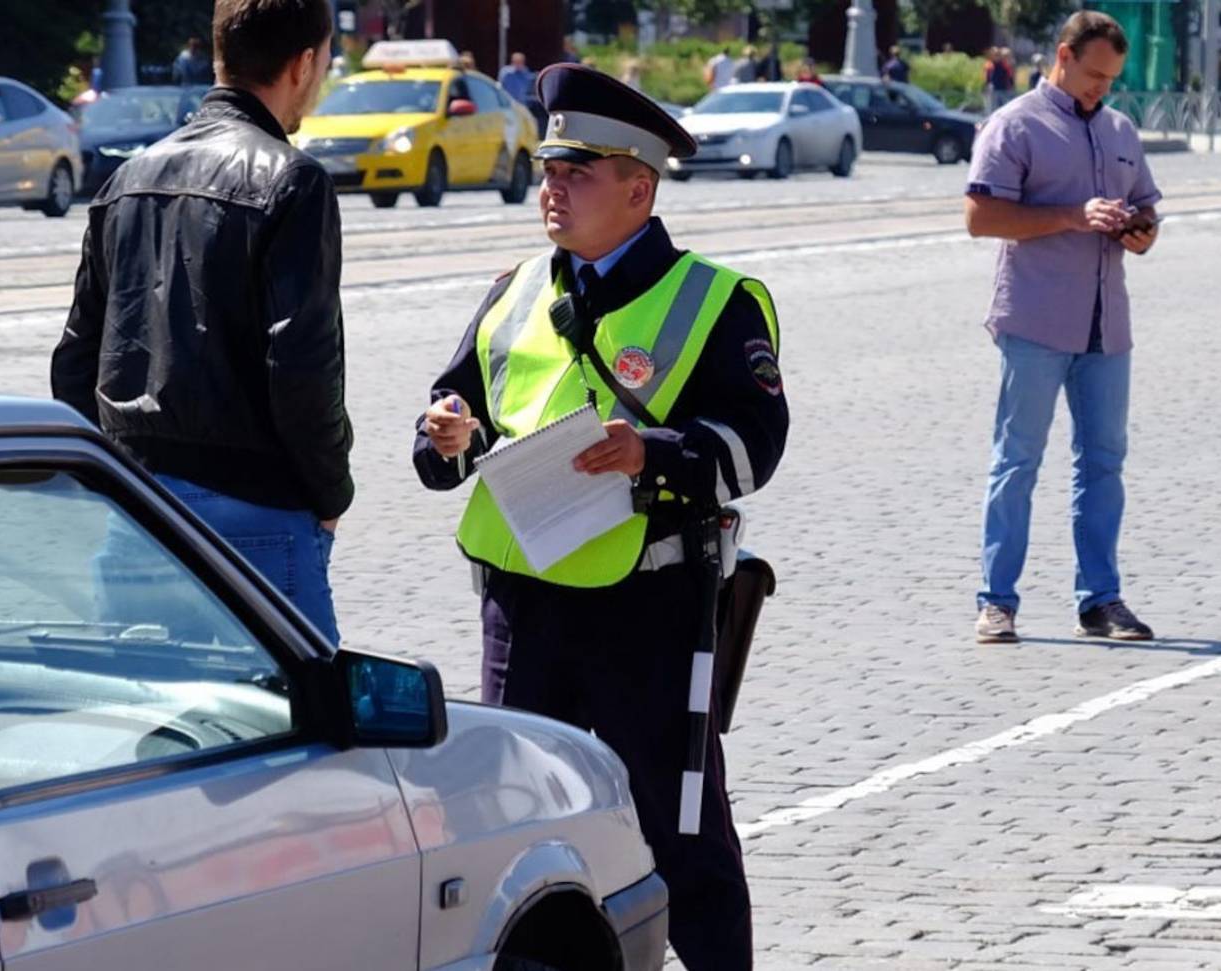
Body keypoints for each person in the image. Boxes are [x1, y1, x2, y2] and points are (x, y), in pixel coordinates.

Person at [411, 64, 787, 969]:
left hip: (645, 611)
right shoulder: (512, 290)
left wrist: (650, 453)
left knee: (678, 822)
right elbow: (447, 419)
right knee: (518, 821)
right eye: (548, 170)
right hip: (521, 604)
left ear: (637, 187)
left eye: (576, 173)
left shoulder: (713, 298)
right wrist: (444, 431)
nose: (552, 189)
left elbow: (755, 445)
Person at [51, 0, 351, 644]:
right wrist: (331, 494)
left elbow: (76, 360)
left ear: (220, 56)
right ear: (302, 64)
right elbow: (302, 365)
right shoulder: (294, 181)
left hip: (142, 513)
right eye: (325, 63)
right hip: (257, 510)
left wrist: (121, 484)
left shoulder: (126, 179)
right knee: (306, 729)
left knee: (150, 726)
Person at [964, 12, 1161, 645]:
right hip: (1037, 320)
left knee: (1104, 464)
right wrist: (1074, 217)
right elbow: (981, 217)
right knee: (1017, 462)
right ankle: (997, 602)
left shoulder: (1121, 128)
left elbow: (1149, 211)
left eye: (1111, 79)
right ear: (1064, 56)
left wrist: (1141, 230)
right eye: (1095, 74)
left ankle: (1100, 601)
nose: (1102, 88)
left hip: (1108, 327)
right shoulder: (1016, 124)